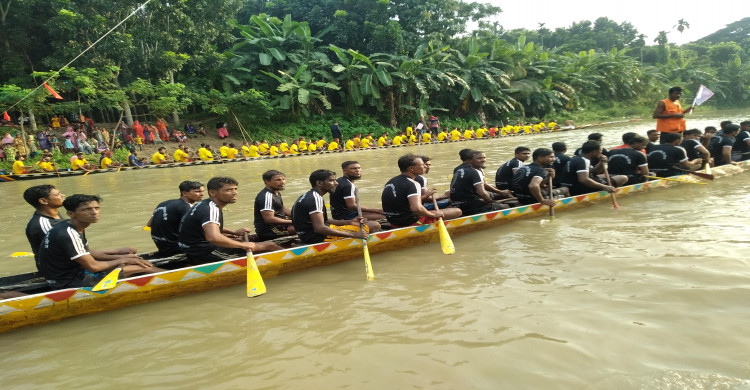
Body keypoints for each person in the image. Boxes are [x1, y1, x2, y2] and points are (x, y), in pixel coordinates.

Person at [36, 194, 162, 289]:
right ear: (71, 213)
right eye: (87, 209)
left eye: (97, 208)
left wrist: (121, 255)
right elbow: (93, 266)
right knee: (142, 266)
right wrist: (125, 260)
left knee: (128, 261)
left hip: (65, 274)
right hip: (69, 281)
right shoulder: (68, 233)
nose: (94, 212)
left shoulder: (72, 225)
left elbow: (87, 252)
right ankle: (175, 280)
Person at [178, 177, 281, 265]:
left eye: (235, 189)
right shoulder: (211, 208)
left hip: (192, 248)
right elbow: (213, 237)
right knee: (269, 245)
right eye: (229, 190)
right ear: (213, 192)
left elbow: (209, 230)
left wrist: (234, 234)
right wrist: (243, 245)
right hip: (205, 251)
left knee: (242, 241)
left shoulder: (205, 204)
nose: (234, 193)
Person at [291, 169, 378, 245]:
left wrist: (349, 222)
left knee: (361, 224)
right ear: (319, 183)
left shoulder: (310, 195)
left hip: (308, 234)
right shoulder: (315, 198)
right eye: (332, 181)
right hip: (317, 237)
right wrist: (354, 235)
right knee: (374, 225)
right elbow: (319, 228)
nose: (336, 183)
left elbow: (325, 221)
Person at [382, 154, 462, 228]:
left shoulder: (390, 182)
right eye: (422, 165)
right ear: (411, 168)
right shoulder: (413, 183)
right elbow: (416, 208)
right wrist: (432, 215)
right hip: (410, 222)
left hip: (393, 221)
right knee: (457, 211)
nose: (425, 166)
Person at [146, 181, 204, 257]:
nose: (202, 194)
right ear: (185, 193)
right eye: (197, 191)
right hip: (175, 248)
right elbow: (199, 228)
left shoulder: (163, 203)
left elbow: (149, 224)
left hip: (161, 245)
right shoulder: (186, 207)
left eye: (203, 191)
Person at [450, 150, 510, 216]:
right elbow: (481, 192)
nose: (483, 160)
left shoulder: (458, 169)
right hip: (468, 205)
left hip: (457, 203)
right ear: (470, 161)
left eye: (484, 158)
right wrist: (490, 201)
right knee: (506, 206)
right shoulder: (474, 171)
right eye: (479, 158)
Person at [558, 141, 624, 195]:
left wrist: (601, 162)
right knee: (623, 178)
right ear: (594, 152)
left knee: (604, 175)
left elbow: (594, 172)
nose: (601, 152)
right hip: (578, 188)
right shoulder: (584, 161)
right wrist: (605, 187)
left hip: (570, 185)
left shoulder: (578, 158)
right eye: (600, 150)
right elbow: (583, 180)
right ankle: (610, 190)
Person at [24, 185, 66, 257]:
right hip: (59, 266)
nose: (63, 195)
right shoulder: (44, 225)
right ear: (43, 201)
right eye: (57, 195)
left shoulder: (54, 214)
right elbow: (65, 250)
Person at [253, 170, 296, 241]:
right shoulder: (267, 196)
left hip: (279, 225)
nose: (282, 182)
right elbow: (269, 219)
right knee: (306, 226)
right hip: (270, 230)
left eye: (283, 179)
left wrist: (300, 217)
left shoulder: (276, 192)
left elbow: (283, 209)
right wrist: (295, 221)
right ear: (267, 181)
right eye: (278, 180)